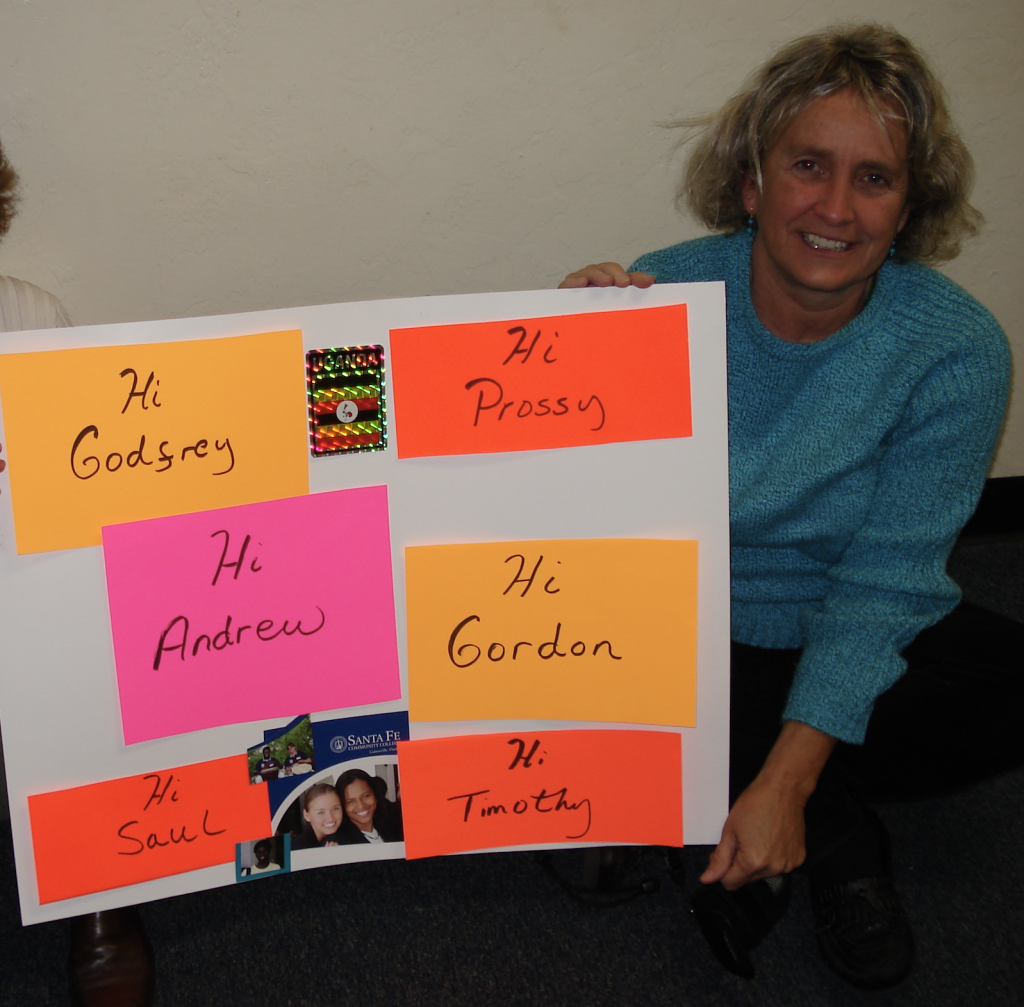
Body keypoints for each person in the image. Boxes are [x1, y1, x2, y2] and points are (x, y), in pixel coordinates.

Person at [560, 23, 1023, 992]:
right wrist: (556, 356)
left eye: (875, 178)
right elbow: (582, 528)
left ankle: (748, 786)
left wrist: (784, 779)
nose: (835, 208)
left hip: (835, 610)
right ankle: (840, 835)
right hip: (683, 621)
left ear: (909, 206)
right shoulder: (663, 292)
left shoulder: (956, 350)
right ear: (751, 182)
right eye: (807, 164)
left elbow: (886, 583)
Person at [0, 137, 154, 1007]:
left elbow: (93, 500)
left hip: (23, 602)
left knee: (100, 633)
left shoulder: (29, 316)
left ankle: (106, 900)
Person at [335, 768, 404, 844]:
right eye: (351, 801)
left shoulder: (389, 823)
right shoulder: (339, 842)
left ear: (375, 795)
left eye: (366, 796)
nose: (361, 806)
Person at [292, 781, 345, 849]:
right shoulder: (297, 850)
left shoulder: (347, 835)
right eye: (321, 812)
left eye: (335, 809)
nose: (330, 818)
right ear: (306, 815)